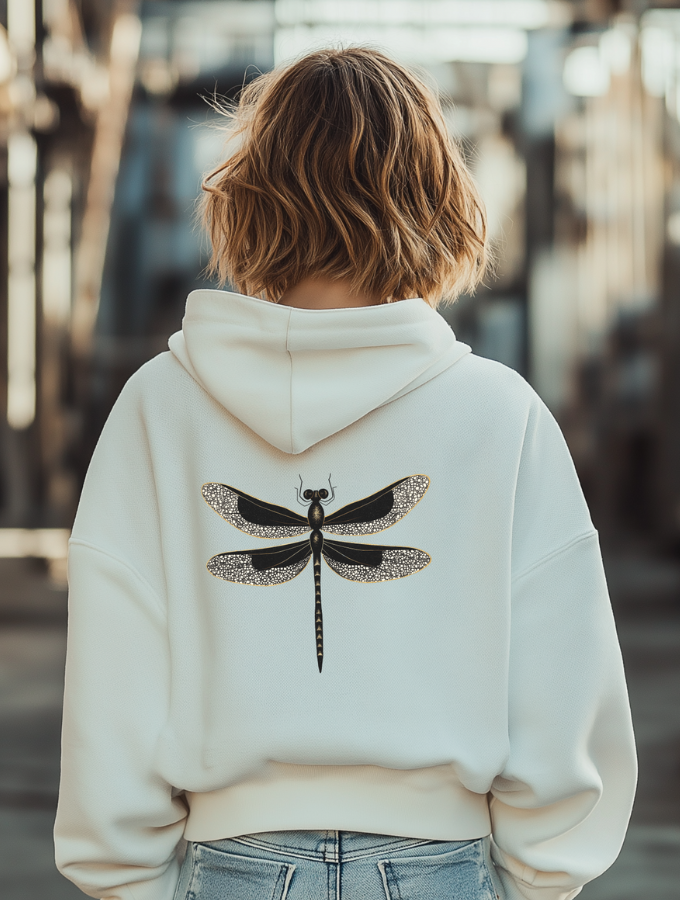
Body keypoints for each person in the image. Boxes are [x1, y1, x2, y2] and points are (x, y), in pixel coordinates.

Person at [54, 47, 636, 900]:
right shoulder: (497, 413)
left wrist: (126, 874)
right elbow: (560, 673)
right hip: (437, 863)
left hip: (238, 866)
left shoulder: (160, 407)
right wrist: (542, 874)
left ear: (247, 198)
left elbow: (118, 660)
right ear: (437, 200)